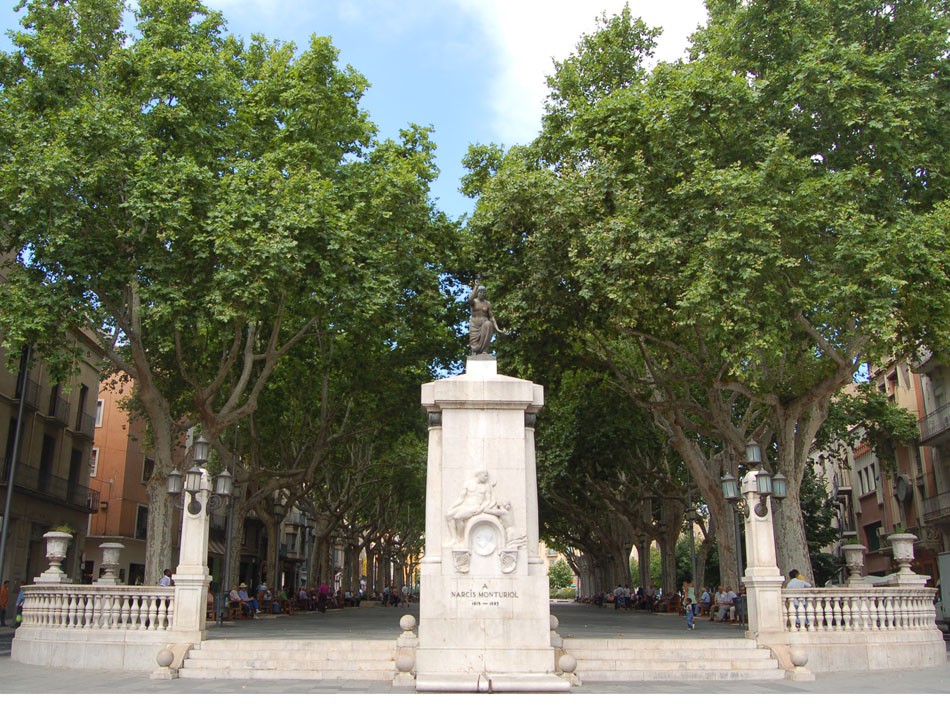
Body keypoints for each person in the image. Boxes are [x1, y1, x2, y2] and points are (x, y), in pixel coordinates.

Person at [446, 471, 493, 544]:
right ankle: (454, 538)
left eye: (487, 476)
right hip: (465, 506)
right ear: (479, 475)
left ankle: (460, 538)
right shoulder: (468, 483)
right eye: (485, 475)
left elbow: (488, 500)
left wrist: (481, 509)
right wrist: (452, 507)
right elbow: (461, 498)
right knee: (449, 515)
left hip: (475, 507)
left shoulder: (486, 486)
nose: (486, 478)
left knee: (458, 517)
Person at [467, 281, 504, 355]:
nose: (482, 294)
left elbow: (491, 317)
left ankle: (484, 350)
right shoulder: (473, 302)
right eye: (480, 292)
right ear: (477, 293)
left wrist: (497, 328)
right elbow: (470, 299)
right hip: (475, 325)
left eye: (484, 292)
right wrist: (476, 286)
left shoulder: (487, 303)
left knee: (488, 324)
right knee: (474, 342)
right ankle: (475, 351)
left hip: (484, 323)